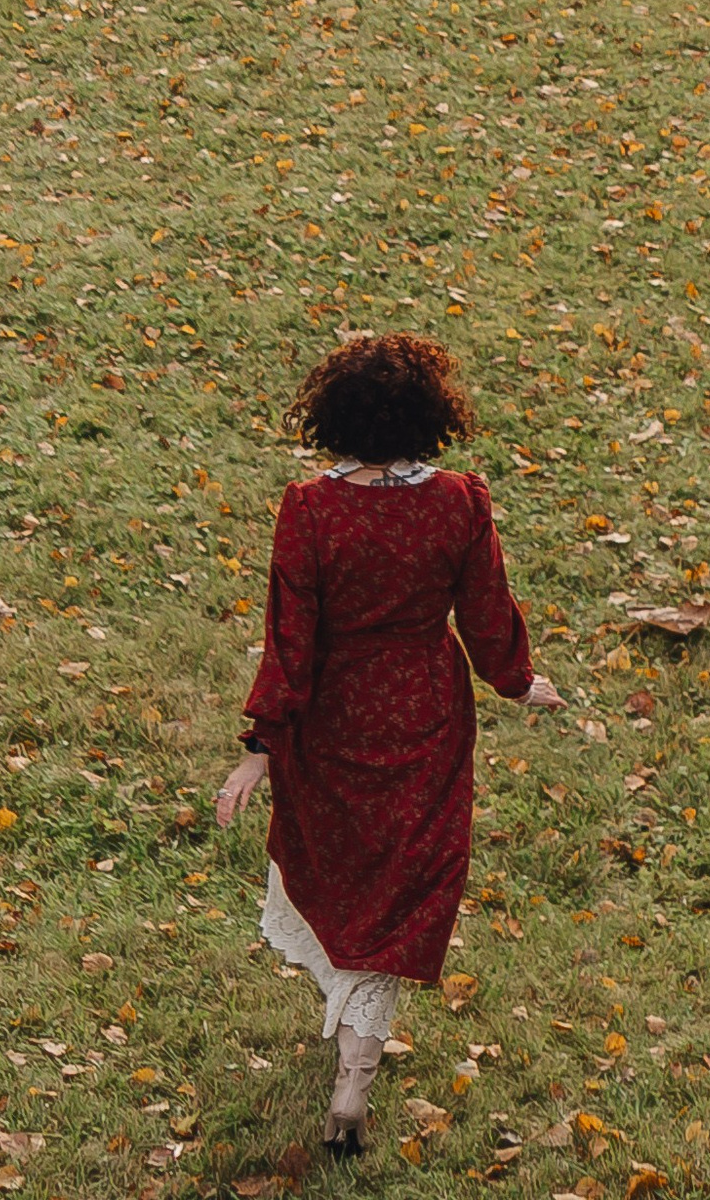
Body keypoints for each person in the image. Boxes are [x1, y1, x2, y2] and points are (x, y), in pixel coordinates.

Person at [213, 329, 562, 1156]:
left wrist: (259, 750)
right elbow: (485, 613)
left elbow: (288, 643)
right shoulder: (459, 503)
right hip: (425, 715)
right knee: (401, 892)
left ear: (330, 415)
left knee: (343, 878)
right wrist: (518, 680)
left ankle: (349, 1051)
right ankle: (355, 1077)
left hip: (333, 720)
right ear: (429, 418)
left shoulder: (311, 510)